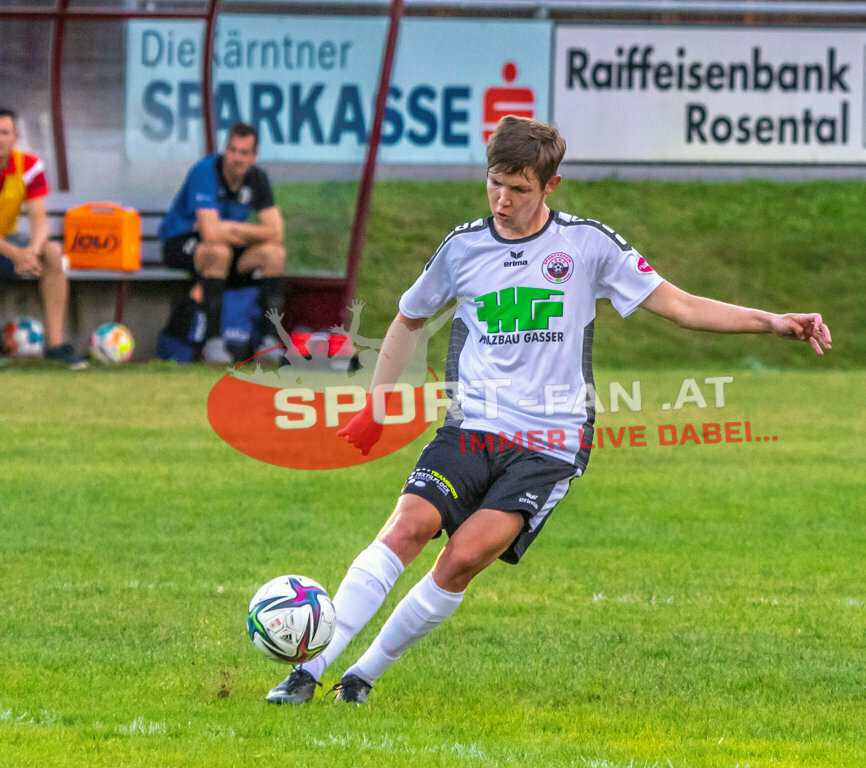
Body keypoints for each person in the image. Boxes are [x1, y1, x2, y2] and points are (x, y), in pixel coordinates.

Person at [265, 116, 833, 705]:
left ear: (550, 186)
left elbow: (681, 305)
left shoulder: (587, 245)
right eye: (495, 185)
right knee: (409, 526)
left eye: (519, 190)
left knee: (463, 558)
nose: (503, 201)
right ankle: (309, 670)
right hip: (473, 425)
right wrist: (376, 406)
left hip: (550, 442)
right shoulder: (463, 248)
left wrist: (771, 322)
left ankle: (362, 677)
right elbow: (409, 318)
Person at [158, 123, 287, 364]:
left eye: (243, 152)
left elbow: (276, 232)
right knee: (218, 252)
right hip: (180, 242)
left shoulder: (258, 179)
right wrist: (252, 232)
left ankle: (269, 343)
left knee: (273, 254)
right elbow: (209, 232)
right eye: (232, 150)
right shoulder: (205, 171)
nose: (236, 158)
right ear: (225, 149)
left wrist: (233, 229)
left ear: (254, 156)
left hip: (227, 245)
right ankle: (213, 344)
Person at [0, 107, 85, 368]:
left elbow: (39, 218)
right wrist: (17, 254)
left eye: (4, 132)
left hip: (8, 243)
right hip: (7, 250)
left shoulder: (28, 166)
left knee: (52, 252)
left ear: (15, 137)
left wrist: (33, 250)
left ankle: (56, 346)